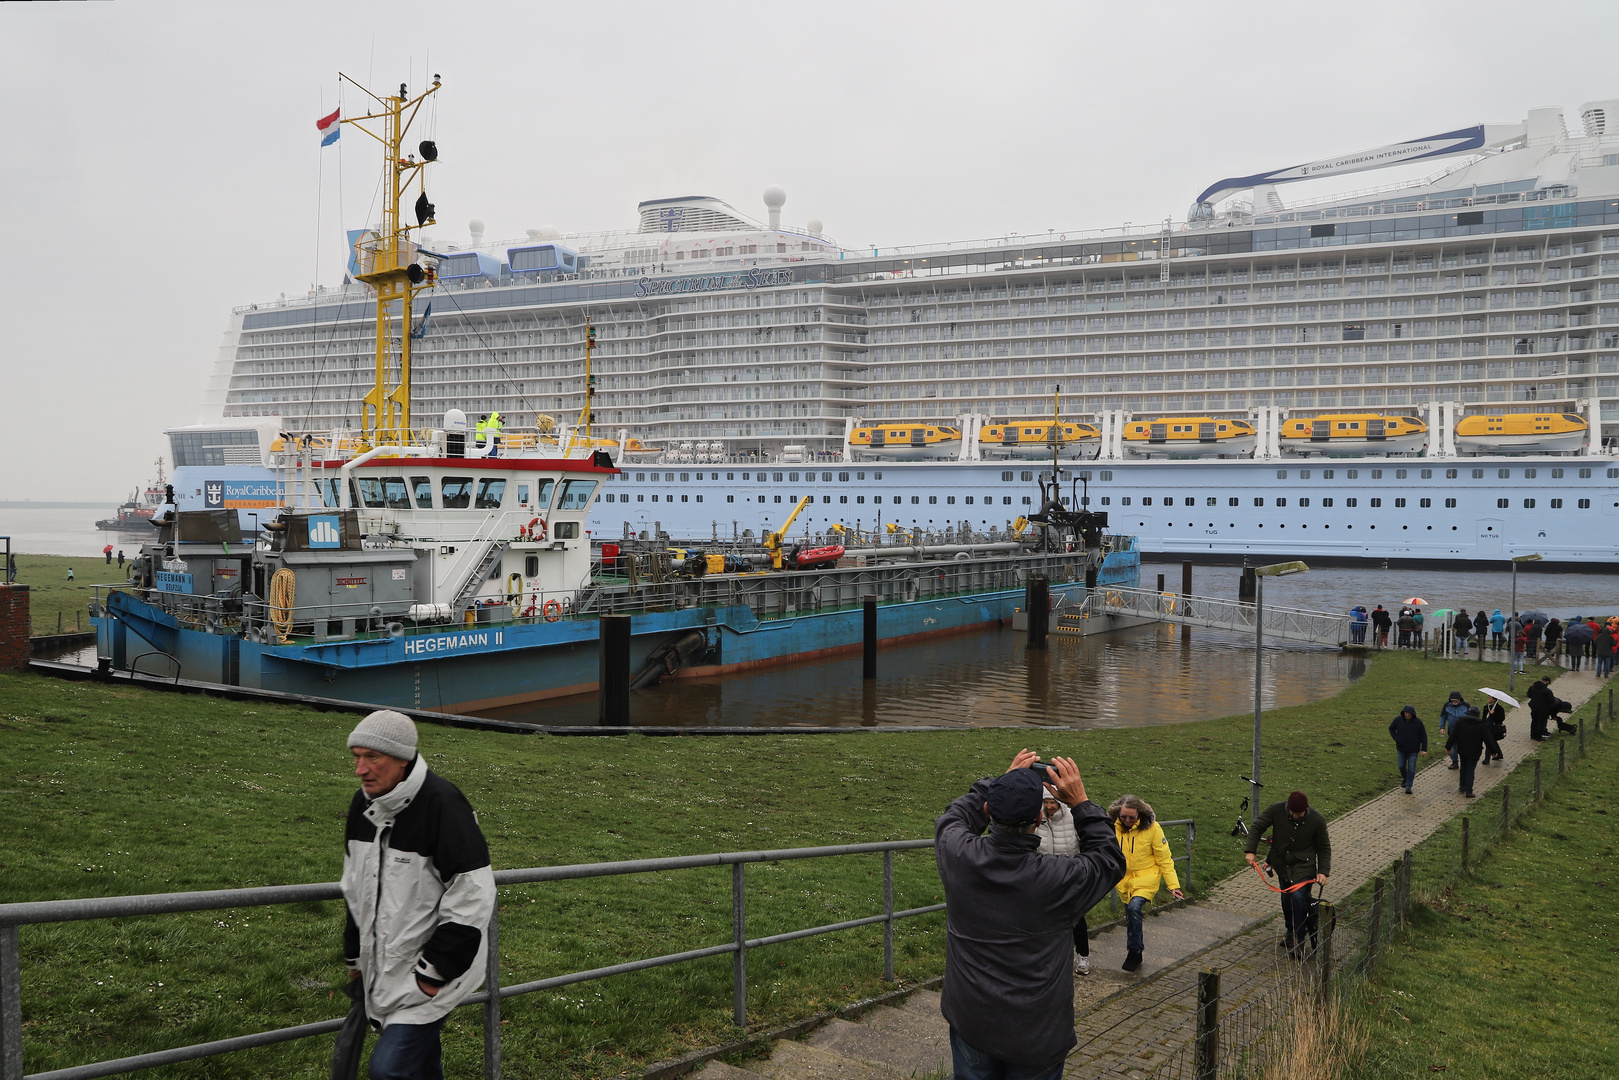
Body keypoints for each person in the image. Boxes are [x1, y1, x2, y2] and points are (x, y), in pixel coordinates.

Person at [935, 751, 1125, 1080]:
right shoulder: (1060, 879)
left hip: (972, 1020)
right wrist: (1081, 802)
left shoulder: (958, 855)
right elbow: (1109, 858)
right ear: (1039, 820)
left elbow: (953, 817)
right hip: (1037, 1032)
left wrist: (996, 784)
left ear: (988, 812)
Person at [342, 710, 496, 1080]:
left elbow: (473, 895)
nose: (360, 769)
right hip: (384, 965)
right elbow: (354, 885)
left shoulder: (443, 804)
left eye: (372, 757)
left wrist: (431, 975)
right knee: (420, 1067)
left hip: (433, 973)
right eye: (356, 757)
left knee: (389, 1070)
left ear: (403, 758)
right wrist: (355, 956)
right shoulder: (363, 806)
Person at [1244, 791, 1331, 960]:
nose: (1295, 816)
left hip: (1304, 867)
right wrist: (1250, 851)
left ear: (1306, 810)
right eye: (1292, 813)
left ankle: (1300, 942)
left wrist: (1323, 872)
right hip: (1282, 865)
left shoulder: (1317, 820)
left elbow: (1324, 848)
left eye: (1299, 814)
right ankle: (1290, 931)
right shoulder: (1276, 810)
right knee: (1286, 899)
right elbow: (1257, 827)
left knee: (1298, 897)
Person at [1109, 795, 1185, 972]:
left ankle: (1134, 951)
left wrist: (1173, 885)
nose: (1127, 820)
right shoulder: (1112, 827)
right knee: (1130, 912)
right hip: (1124, 880)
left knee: (1134, 908)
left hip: (1146, 878)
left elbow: (1165, 859)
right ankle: (1137, 948)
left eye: (1132, 817)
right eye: (1124, 816)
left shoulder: (1153, 829)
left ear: (1140, 815)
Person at [1034, 785, 1092, 976]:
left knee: (1076, 916)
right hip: (1044, 876)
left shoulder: (1072, 818)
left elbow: (1085, 843)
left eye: (1053, 802)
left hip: (1069, 875)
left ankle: (1083, 955)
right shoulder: (1037, 818)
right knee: (1044, 918)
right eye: (1046, 802)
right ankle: (1048, 958)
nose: (1049, 806)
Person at [1445, 706, 1487, 798]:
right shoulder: (1481, 724)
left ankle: (1462, 785)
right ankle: (1469, 791)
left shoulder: (1460, 722)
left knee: (1463, 766)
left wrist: (1448, 747)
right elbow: (1487, 738)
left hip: (1462, 749)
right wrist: (1494, 750)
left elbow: (1453, 735)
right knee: (1470, 769)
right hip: (1474, 751)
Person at [1388, 705, 1428, 793]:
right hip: (1401, 749)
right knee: (1401, 765)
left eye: (1409, 713)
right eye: (1406, 713)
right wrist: (1396, 738)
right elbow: (1391, 728)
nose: (1407, 715)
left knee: (1411, 768)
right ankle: (1406, 779)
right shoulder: (1398, 720)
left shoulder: (1418, 722)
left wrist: (1424, 749)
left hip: (1413, 749)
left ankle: (1408, 785)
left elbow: (1423, 736)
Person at [1438, 691, 1469, 770]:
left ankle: (1464, 762)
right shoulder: (1447, 706)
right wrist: (1442, 727)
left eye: (1456, 700)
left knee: (1463, 747)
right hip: (1452, 731)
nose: (1454, 702)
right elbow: (1443, 717)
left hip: (1464, 732)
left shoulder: (1466, 706)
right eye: (1453, 701)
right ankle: (1454, 762)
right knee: (1453, 747)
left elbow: (1471, 717)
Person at [1480, 697, 1506, 764]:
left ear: (1494, 700)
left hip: (1494, 728)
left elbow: (1501, 719)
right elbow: (1484, 717)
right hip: (1486, 727)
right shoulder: (1486, 707)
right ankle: (1499, 754)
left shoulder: (1499, 708)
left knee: (1489, 742)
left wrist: (1493, 714)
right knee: (1492, 741)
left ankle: (1487, 758)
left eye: (1489, 698)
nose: (1488, 699)